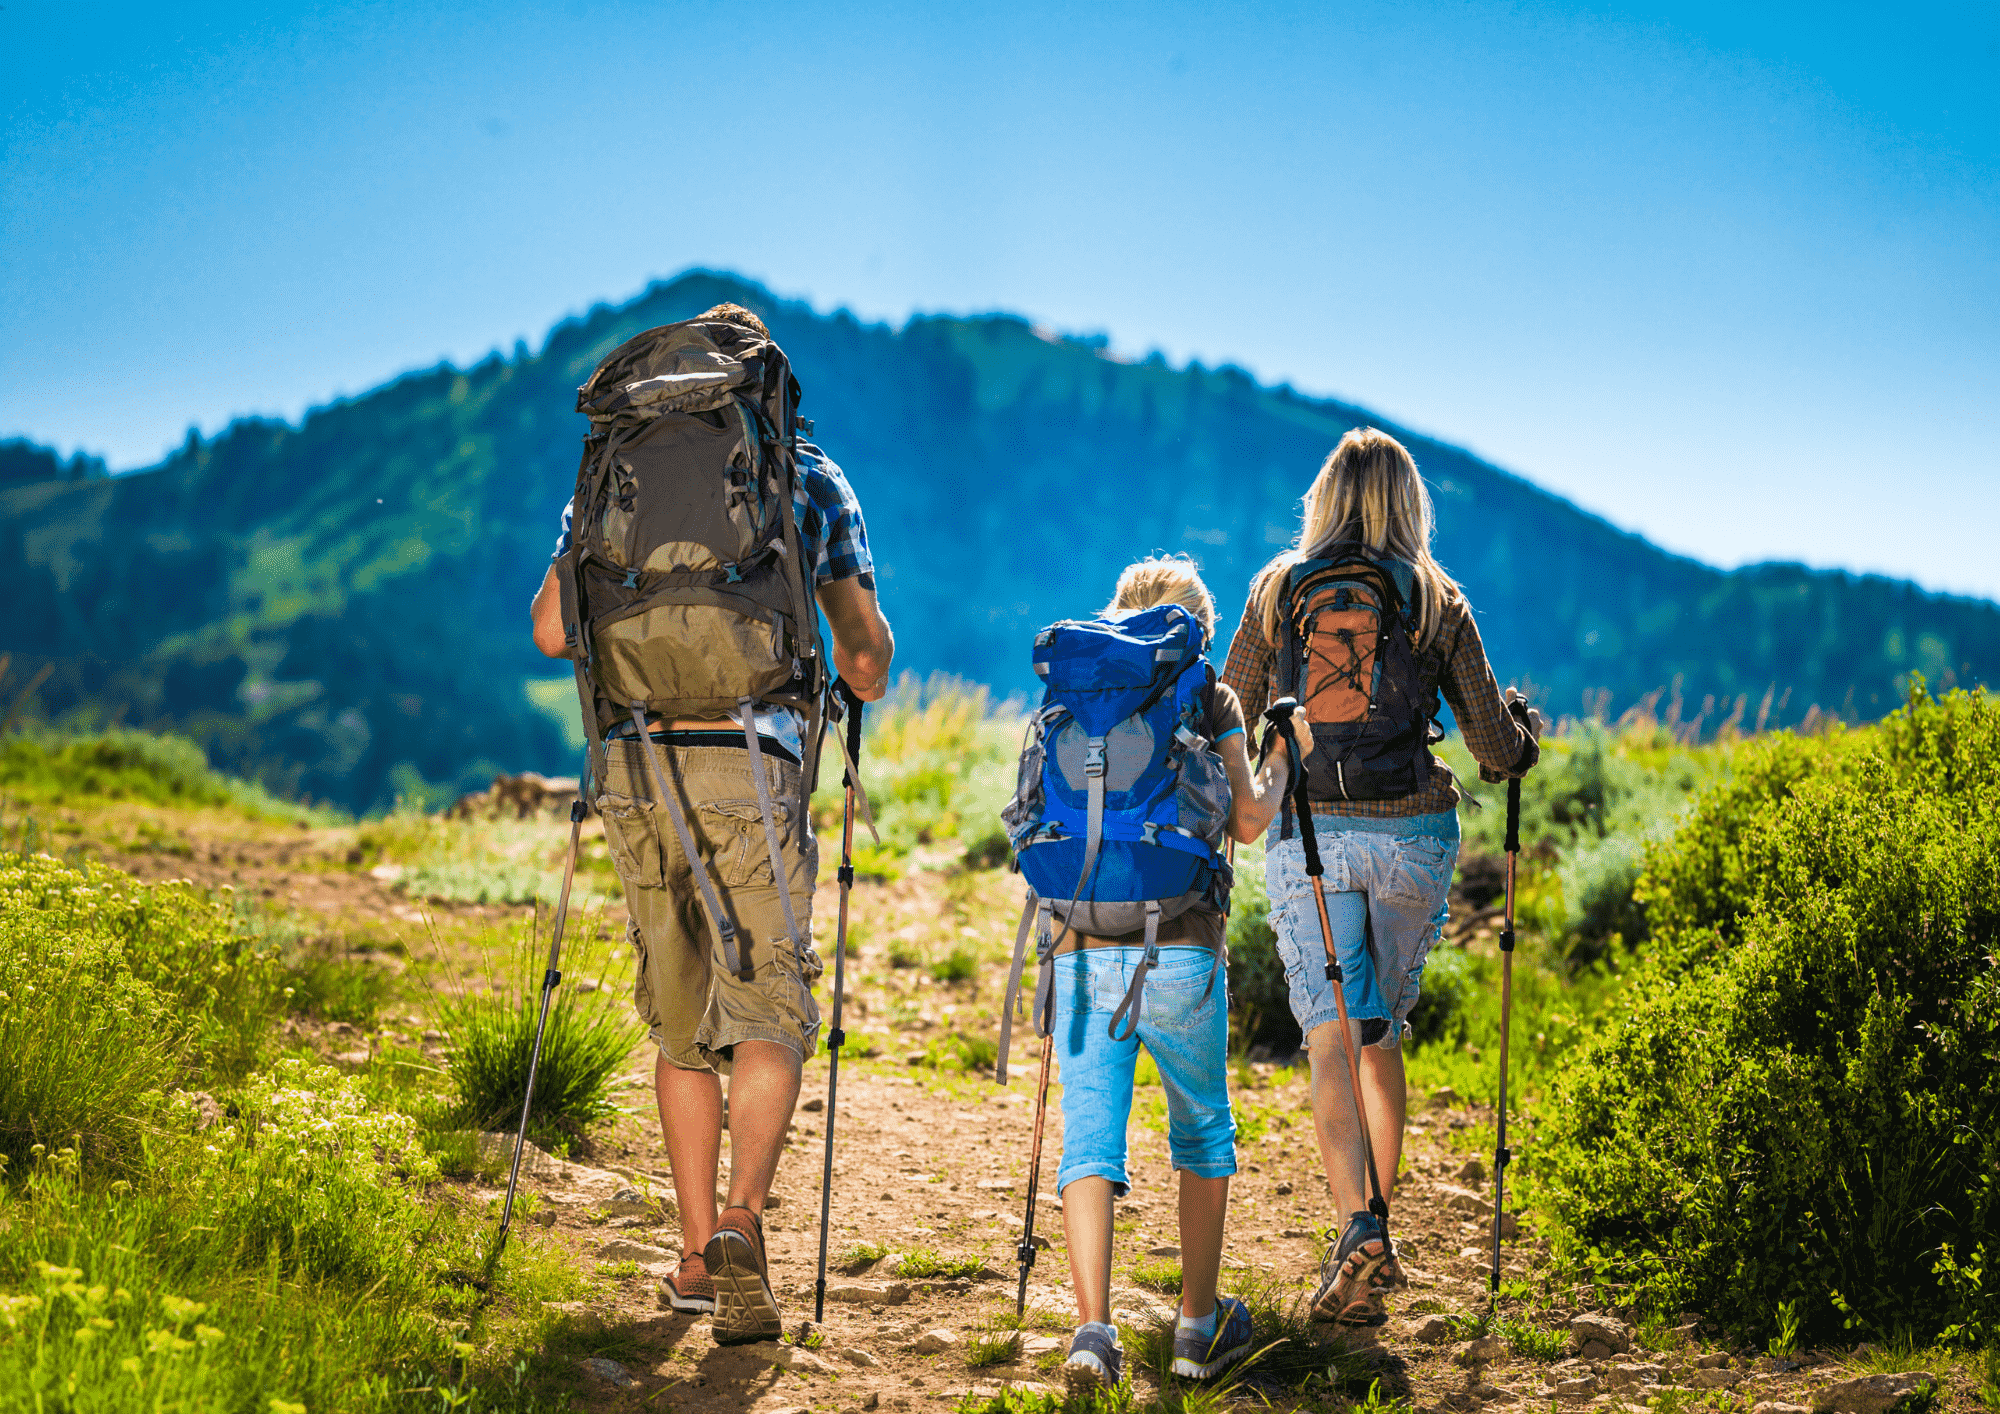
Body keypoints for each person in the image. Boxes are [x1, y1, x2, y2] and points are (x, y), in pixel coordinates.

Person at [529, 302, 894, 1343]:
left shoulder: (613, 467)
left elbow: (554, 628)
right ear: (762, 387)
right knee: (769, 1003)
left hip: (636, 762)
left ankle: (692, 1259)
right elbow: (861, 658)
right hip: (753, 758)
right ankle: (742, 1221)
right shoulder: (806, 475)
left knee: (680, 1020)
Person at [1221, 427, 1540, 1325]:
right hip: (1411, 839)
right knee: (1376, 1031)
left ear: (1323, 496)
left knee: (1327, 1037)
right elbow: (1491, 750)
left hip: (1308, 837)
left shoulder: (1279, 591)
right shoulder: (1438, 600)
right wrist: (1525, 734)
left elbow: (1233, 709)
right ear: (1410, 504)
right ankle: (1377, 1227)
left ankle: (1357, 1227)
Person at [1049, 556, 1293, 1387]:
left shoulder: (1077, 687)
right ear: (1195, 629)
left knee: (1088, 1132)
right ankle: (1196, 1327)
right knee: (1201, 1128)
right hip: (1183, 942)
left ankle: (1091, 1332)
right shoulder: (1207, 691)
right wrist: (1283, 752)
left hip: (1081, 942)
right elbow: (1252, 818)